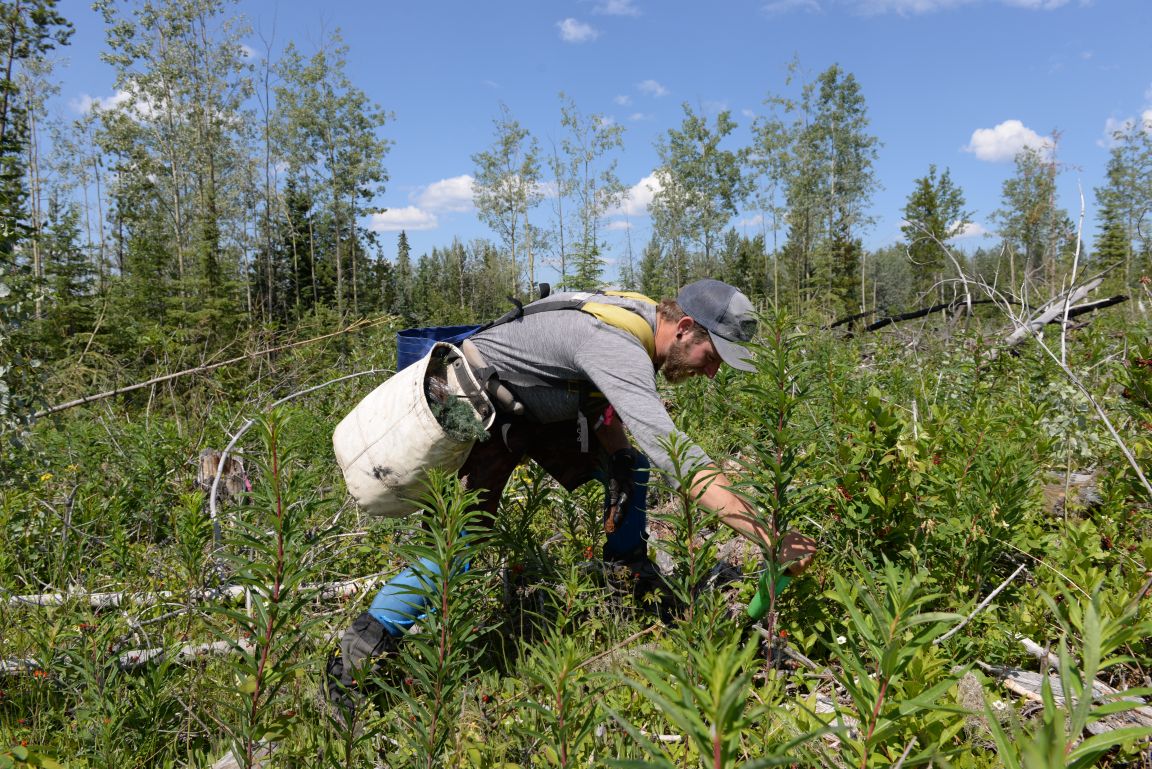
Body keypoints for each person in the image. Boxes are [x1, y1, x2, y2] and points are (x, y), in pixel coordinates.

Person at [325, 279, 816, 706]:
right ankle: (357, 656)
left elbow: (596, 398)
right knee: (459, 544)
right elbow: (677, 454)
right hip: (478, 408)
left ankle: (630, 573)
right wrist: (766, 535)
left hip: (530, 407)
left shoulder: (639, 317)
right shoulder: (617, 344)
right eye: (713, 357)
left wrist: (621, 459)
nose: (712, 373)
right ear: (685, 326)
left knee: (629, 466)